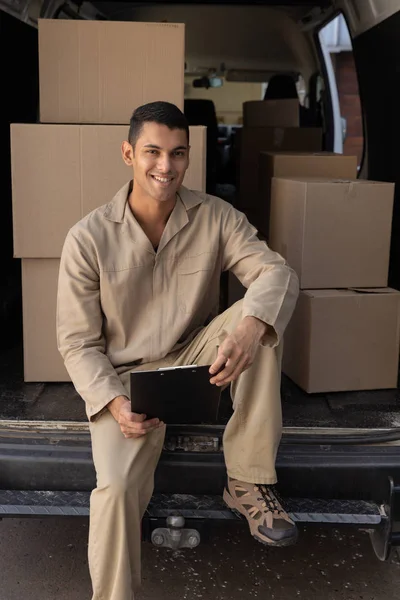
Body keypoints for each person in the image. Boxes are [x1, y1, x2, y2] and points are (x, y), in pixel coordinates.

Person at [57, 101, 300, 600]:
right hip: (126, 385)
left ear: (189, 157)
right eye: (152, 152)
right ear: (128, 153)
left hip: (196, 359)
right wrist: (112, 403)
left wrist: (251, 325)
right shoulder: (88, 237)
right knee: (117, 490)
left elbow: (276, 272)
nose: (165, 166)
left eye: (177, 153)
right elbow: (77, 341)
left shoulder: (216, 216)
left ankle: (247, 480)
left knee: (261, 314)